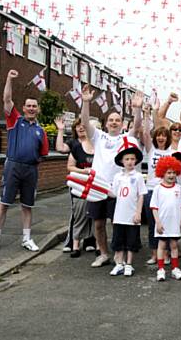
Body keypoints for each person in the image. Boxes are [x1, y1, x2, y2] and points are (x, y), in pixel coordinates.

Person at [81, 85, 143, 268]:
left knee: (119, 223)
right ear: (106, 123)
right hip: (98, 187)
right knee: (98, 224)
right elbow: (85, 124)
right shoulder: (99, 137)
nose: (114, 122)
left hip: (119, 189)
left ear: (122, 124)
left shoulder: (127, 138)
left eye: (117, 120)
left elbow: (137, 126)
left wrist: (137, 109)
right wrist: (85, 103)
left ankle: (120, 254)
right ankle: (103, 253)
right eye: (111, 120)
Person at [0, 70, 49, 252]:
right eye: (29, 106)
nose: (31, 108)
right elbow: (6, 100)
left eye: (34, 106)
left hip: (30, 170)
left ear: (37, 109)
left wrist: (32, 163)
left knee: (27, 205)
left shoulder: (41, 130)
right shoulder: (15, 120)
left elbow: (43, 154)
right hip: (13, 166)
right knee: (4, 203)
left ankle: (27, 239)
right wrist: (8, 79)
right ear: (23, 108)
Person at [55, 115, 95, 255]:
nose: (81, 127)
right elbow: (60, 148)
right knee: (77, 211)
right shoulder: (73, 144)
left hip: (94, 183)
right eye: (78, 126)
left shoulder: (95, 142)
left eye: (83, 125)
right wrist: (60, 130)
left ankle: (90, 240)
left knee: (93, 210)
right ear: (75, 128)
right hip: (78, 183)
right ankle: (72, 241)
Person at [108, 139, 146, 277]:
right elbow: (114, 193)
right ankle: (119, 263)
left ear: (136, 161)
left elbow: (141, 195)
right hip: (119, 215)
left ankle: (129, 264)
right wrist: (102, 189)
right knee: (118, 240)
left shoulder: (139, 177)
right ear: (122, 161)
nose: (130, 161)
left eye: (132, 159)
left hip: (132, 216)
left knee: (131, 241)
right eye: (127, 159)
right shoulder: (118, 176)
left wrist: (138, 212)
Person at [151, 156, 181, 281]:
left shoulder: (178, 188)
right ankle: (160, 269)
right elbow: (154, 207)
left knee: (174, 245)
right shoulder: (157, 189)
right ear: (162, 173)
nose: (171, 175)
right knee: (161, 245)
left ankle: (175, 268)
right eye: (168, 172)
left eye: (173, 172)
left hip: (174, 223)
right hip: (162, 223)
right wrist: (158, 222)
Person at [141, 121, 172, 265]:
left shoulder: (171, 152)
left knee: (165, 222)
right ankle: (154, 254)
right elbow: (146, 133)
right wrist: (147, 114)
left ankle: (165, 254)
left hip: (166, 191)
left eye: (164, 136)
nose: (161, 138)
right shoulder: (151, 150)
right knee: (152, 223)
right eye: (158, 135)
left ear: (167, 138)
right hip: (151, 190)